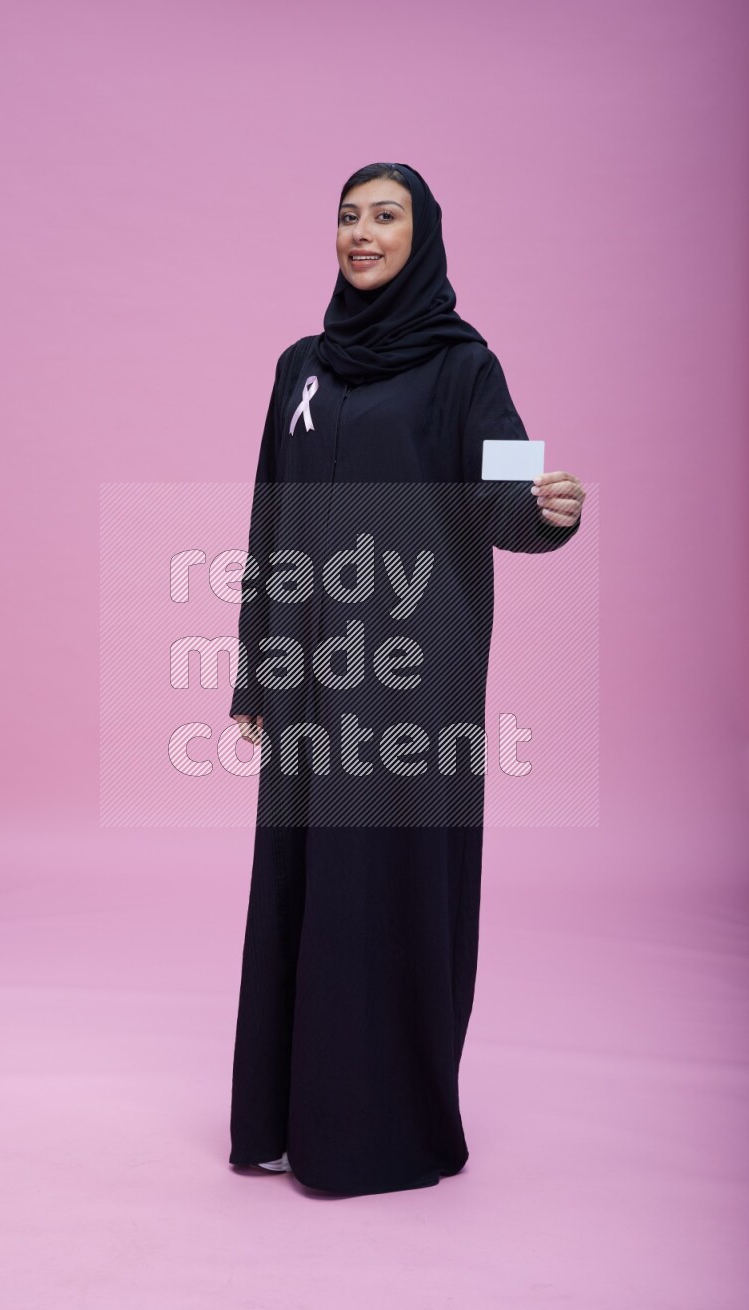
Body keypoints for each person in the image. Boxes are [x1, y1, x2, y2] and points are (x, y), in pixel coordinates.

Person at [227, 161, 585, 1197]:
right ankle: (290, 1115)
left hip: (408, 681)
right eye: (346, 216)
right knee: (302, 881)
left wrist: (548, 506)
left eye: (383, 216)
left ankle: (383, 1129)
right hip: (304, 673)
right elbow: (266, 520)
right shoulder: (301, 366)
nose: (360, 232)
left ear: (421, 235)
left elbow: (505, 491)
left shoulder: (462, 368)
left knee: (383, 885)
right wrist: (253, 668)